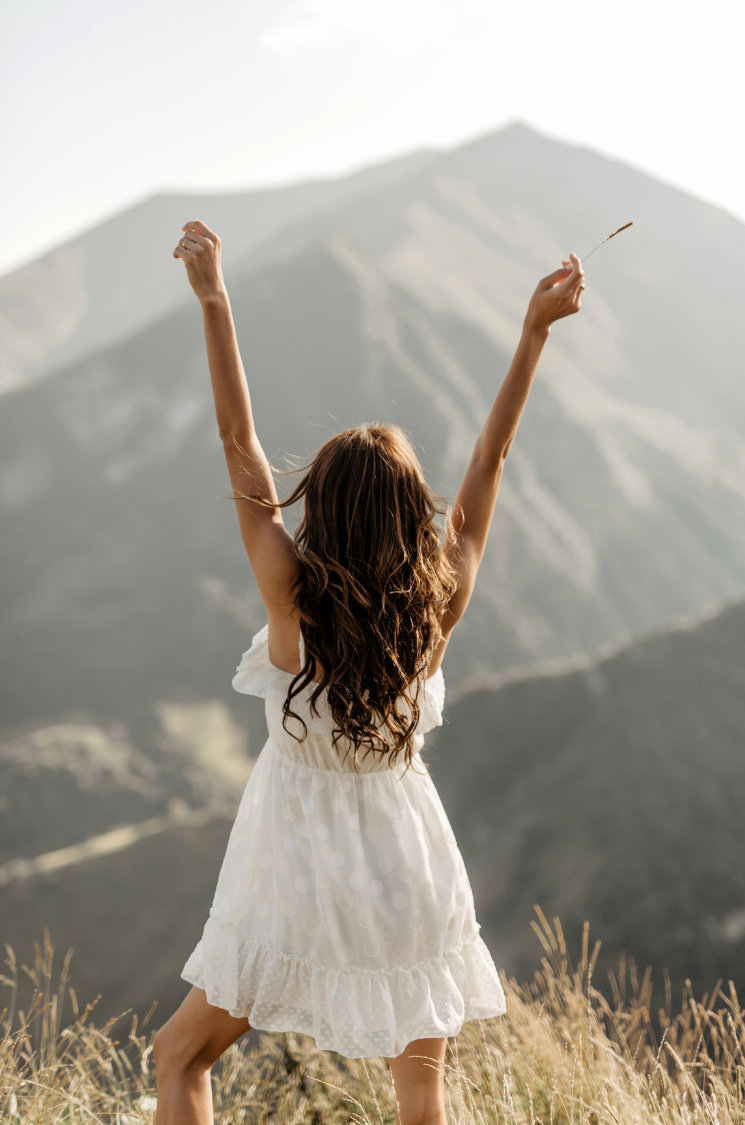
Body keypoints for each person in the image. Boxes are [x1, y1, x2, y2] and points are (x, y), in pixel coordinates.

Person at [153, 219, 584, 1125]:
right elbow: (488, 461)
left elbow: (237, 438)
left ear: (323, 510)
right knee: (418, 1091)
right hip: (407, 865)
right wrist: (532, 333)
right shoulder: (437, 603)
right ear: (408, 516)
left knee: (181, 1056)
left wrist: (214, 297)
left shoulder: (288, 596)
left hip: (291, 872)